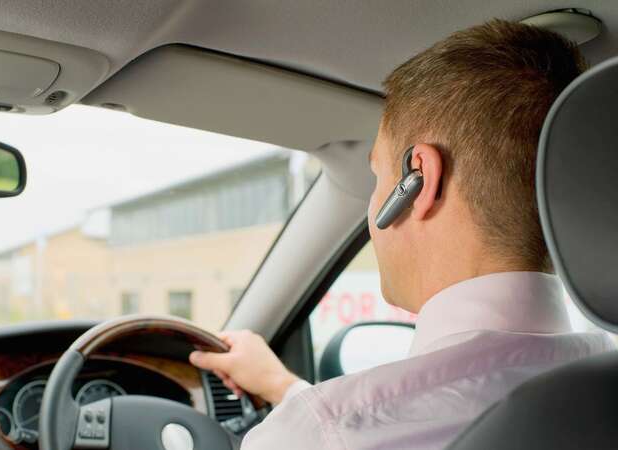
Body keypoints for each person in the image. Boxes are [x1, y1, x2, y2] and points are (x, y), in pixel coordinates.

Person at [190, 19, 614, 450]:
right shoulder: (600, 390)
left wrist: (311, 415)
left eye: (376, 176)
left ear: (421, 180)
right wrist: (284, 387)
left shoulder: (320, 433)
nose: (371, 208)